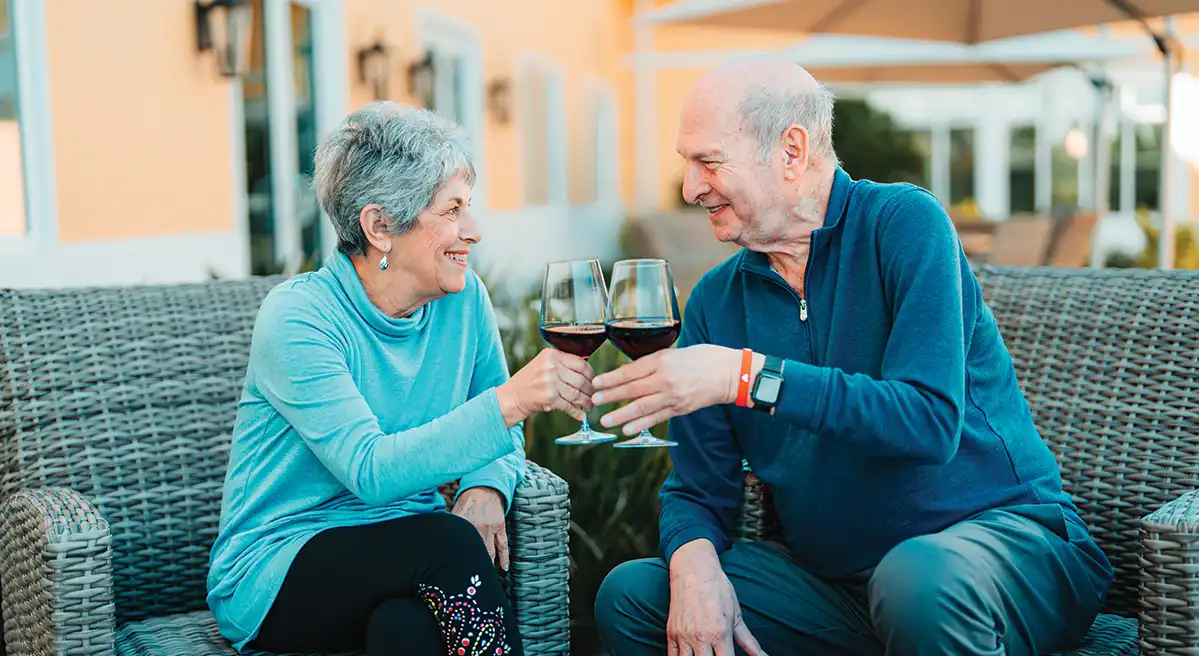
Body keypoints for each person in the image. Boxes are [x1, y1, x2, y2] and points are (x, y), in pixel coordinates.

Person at [590, 57, 1114, 656]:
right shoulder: (716, 301)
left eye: (708, 161)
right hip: (840, 589)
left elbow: (929, 422)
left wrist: (747, 377)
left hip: (1003, 555)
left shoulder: (904, 225)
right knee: (635, 596)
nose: (689, 188)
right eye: (687, 163)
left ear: (791, 151)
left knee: (917, 582)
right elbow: (697, 489)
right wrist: (694, 567)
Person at [206, 102, 597, 656]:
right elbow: (370, 469)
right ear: (381, 226)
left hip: (411, 560)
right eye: (453, 210)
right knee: (447, 540)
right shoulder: (299, 318)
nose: (474, 231)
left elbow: (498, 436)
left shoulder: (464, 302)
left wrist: (487, 485)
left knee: (406, 633)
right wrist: (512, 400)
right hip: (281, 567)